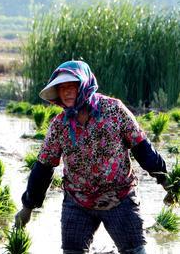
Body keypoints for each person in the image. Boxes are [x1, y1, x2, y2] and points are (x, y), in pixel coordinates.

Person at [15, 60, 169, 254]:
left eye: (72, 86)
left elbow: (143, 149)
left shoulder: (114, 110)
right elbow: (43, 168)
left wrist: (166, 181)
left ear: (85, 86)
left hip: (118, 198)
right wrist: (28, 207)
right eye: (62, 88)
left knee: (135, 251)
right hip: (77, 201)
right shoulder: (59, 125)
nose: (67, 92)